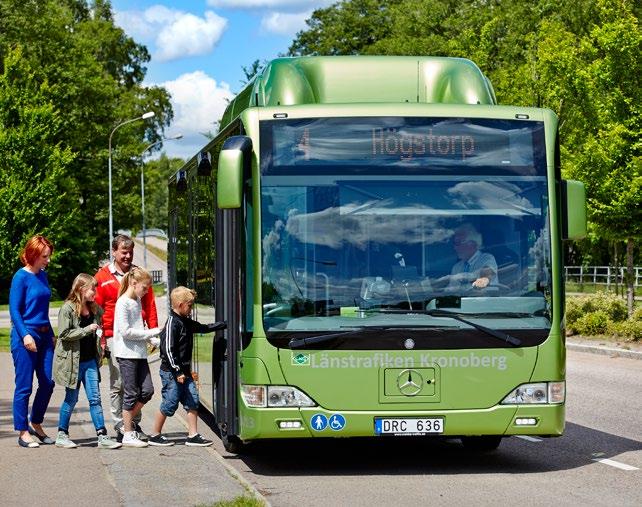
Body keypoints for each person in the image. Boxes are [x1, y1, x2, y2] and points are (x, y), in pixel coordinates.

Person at [95, 234, 158, 441]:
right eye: (123, 252)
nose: (127, 256)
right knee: (119, 383)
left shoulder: (138, 276)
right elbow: (96, 309)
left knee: (138, 385)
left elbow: (149, 305)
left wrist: (153, 333)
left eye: (130, 252)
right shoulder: (103, 277)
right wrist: (101, 338)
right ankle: (121, 425)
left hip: (138, 336)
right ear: (114, 252)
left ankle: (133, 424)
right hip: (115, 336)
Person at [148, 286, 226, 447]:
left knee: (192, 400)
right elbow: (168, 350)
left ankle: (193, 435)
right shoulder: (172, 324)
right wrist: (177, 371)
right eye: (189, 305)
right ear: (180, 304)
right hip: (171, 372)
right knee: (170, 402)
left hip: (184, 372)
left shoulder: (185, 321)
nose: (191, 309)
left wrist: (224, 324)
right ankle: (154, 435)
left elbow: (203, 328)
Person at [53, 274, 122, 449]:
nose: (95, 292)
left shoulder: (95, 309)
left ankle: (102, 436)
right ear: (81, 289)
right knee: (71, 399)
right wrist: (86, 329)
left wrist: (102, 346)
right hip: (73, 363)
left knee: (95, 399)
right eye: (93, 289)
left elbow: (100, 331)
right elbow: (64, 334)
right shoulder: (68, 309)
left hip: (90, 361)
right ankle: (62, 434)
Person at [9, 235, 56, 448]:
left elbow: (42, 309)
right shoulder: (20, 277)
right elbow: (15, 311)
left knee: (47, 383)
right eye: (45, 256)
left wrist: (52, 333)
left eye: (49, 256)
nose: (48, 260)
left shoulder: (43, 276)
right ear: (34, 254)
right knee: (24, 387)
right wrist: (25, 335)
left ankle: (35, 422)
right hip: (25, 336)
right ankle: (22, 431)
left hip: (45, 336)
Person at [112, 267, 161, 447]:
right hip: (126, 354)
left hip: (139, 354)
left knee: (147, 390)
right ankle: (128, 433)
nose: (147, 291)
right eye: (145, 287)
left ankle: (126, 423)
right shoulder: (123, 302)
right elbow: (126, 332)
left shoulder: (137, 301)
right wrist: (152, 332)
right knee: (131, 393)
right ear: (134, 283)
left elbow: (138, 327)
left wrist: (154, 339)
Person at [438, 223, 498, 291]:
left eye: (457, 243)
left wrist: (484, 280)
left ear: (472, 243)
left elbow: (488, 273)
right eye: (454, 243)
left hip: (484, 300)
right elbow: (450, 290)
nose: (455, 247)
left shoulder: (486, 259)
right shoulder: (457, 267)